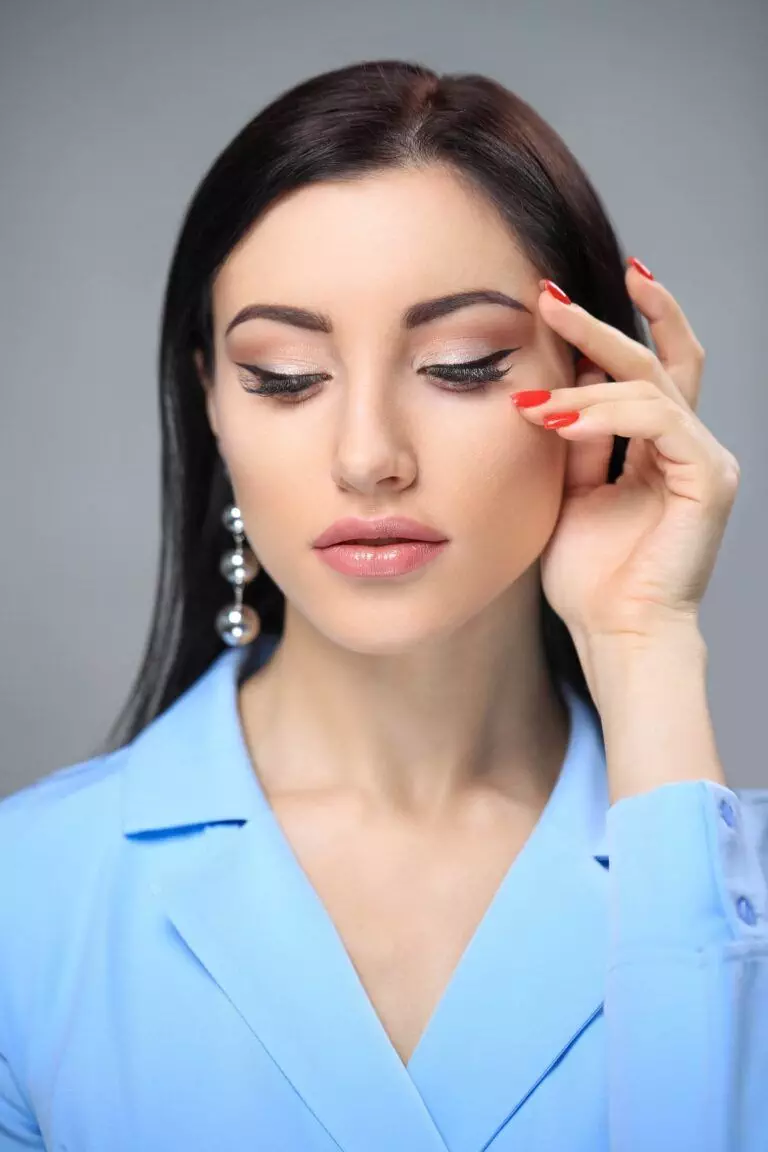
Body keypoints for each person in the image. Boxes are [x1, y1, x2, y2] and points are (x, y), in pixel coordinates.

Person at [1, 58, 766, 1152]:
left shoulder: (737, 902)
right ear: (211, 399)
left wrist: (642, 644)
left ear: (602, 388)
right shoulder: (27, 902)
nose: (368, 459)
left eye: (460, 365)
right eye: (283, 375)